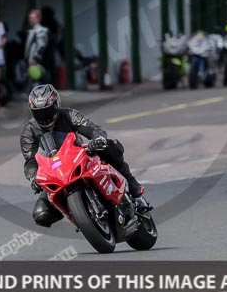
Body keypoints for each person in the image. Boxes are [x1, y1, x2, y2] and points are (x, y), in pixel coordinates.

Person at [20, 84, 144, 228]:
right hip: (54, 173)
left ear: (56, 105)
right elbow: (30, 161)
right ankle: (77, 214)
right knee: (40, 215)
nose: (45, 117)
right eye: (40, 113)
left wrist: (98, 138)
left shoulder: (69, 115)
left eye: (48, 111)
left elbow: (92, 128)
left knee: (110, 145)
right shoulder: (28, 131)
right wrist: (33, 177)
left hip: (79, 157)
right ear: (32, 112)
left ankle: (131, 184)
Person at [24, 9, 49, 78]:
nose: (30, 20)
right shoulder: (31, 31)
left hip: (37, 62)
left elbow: (42, 46)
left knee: (37, 81)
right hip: (30, 61)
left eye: (32, 18)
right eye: (30, 18)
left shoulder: (41, 31)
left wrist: (36, 58)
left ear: (38, 19)